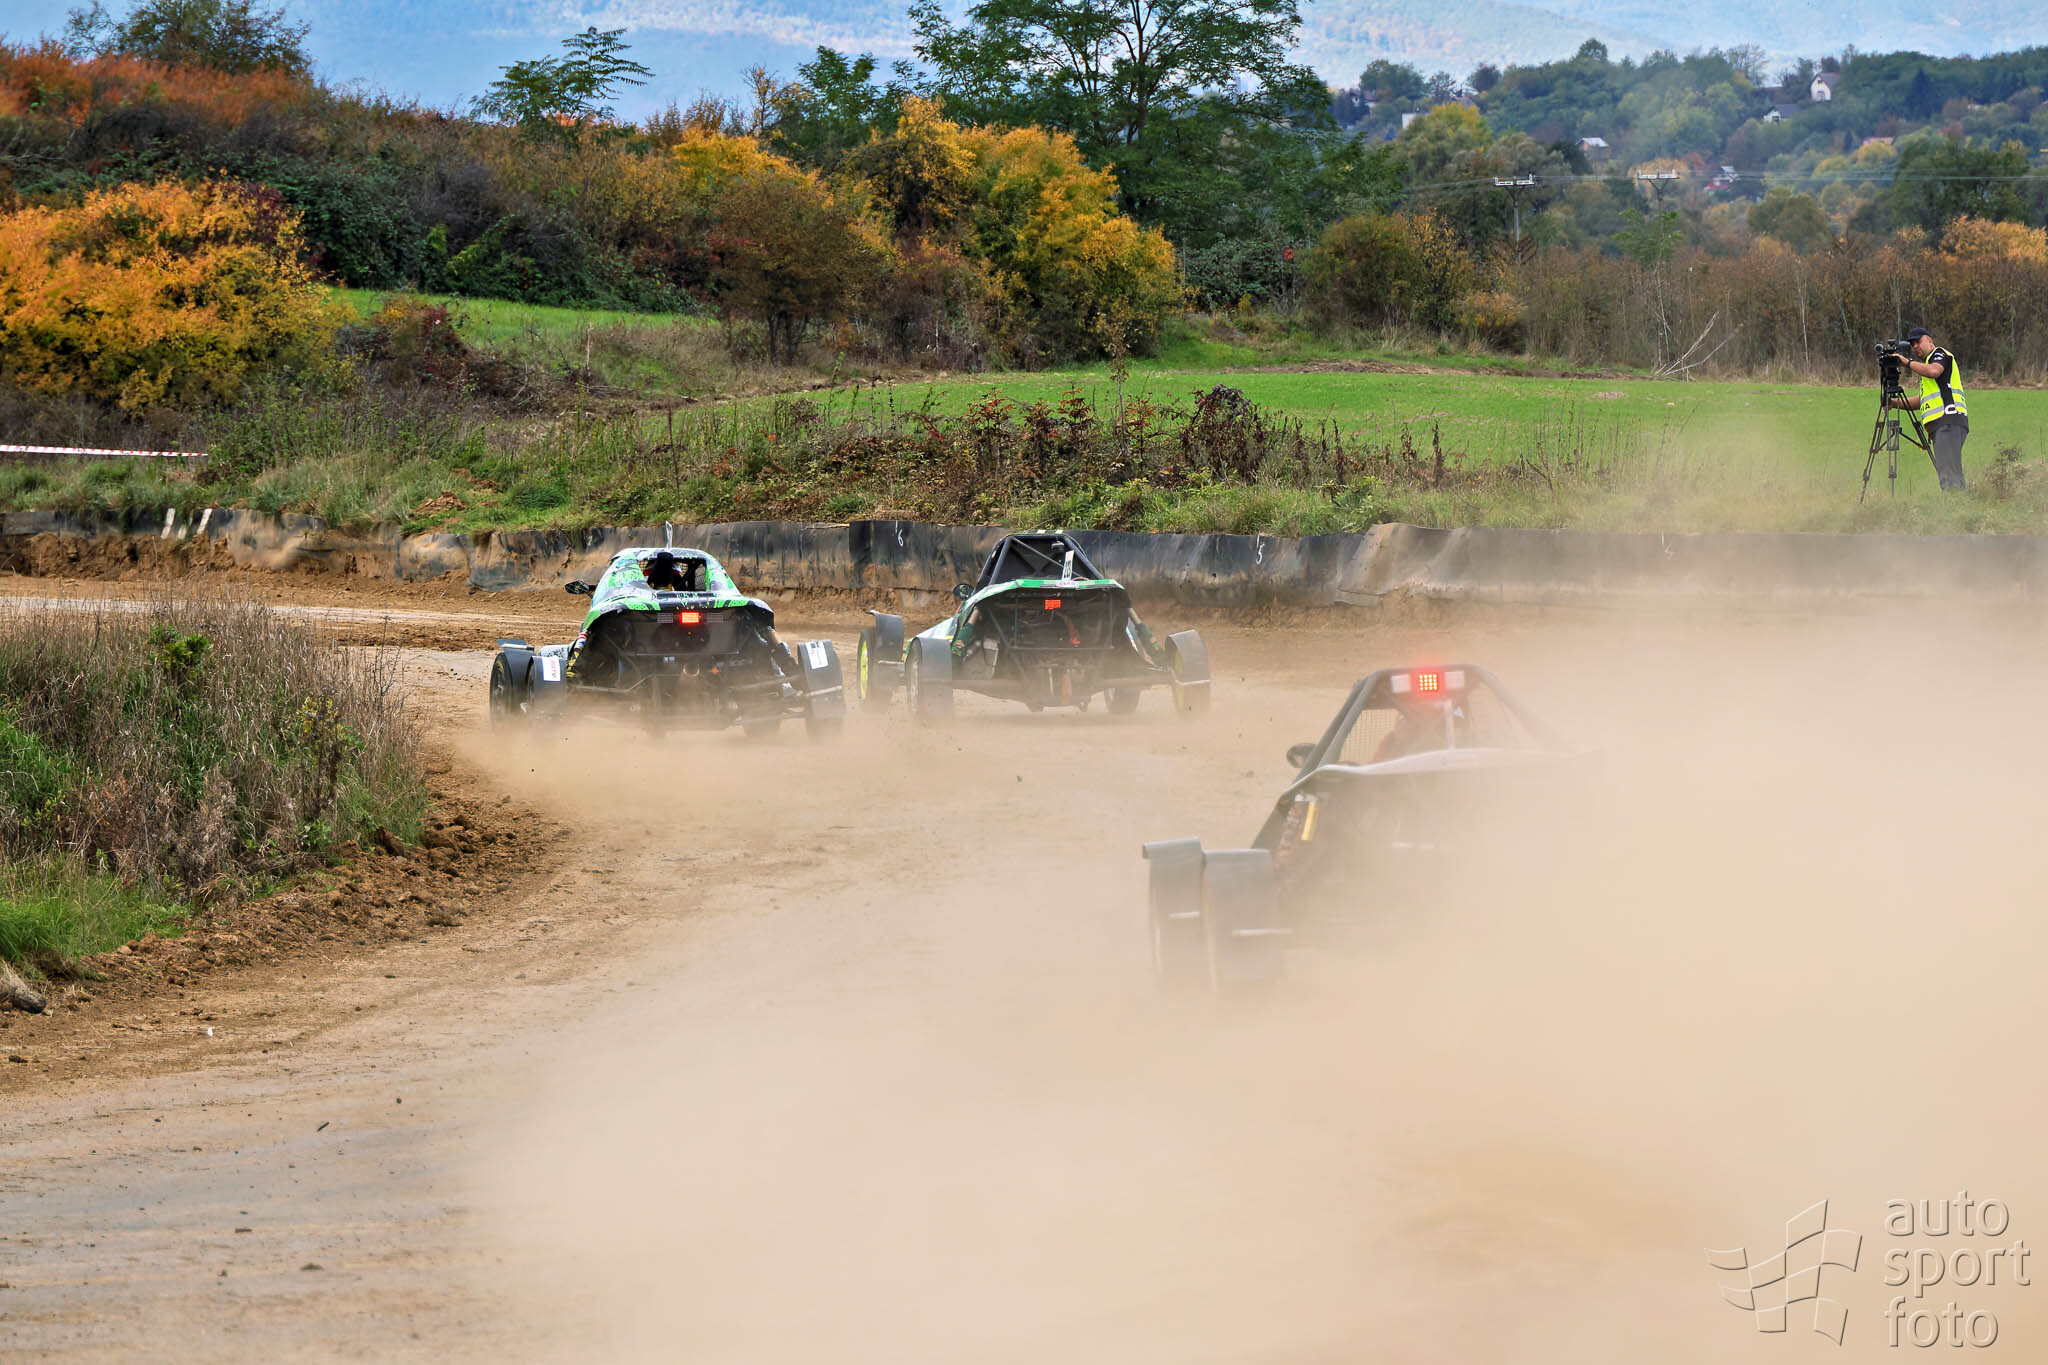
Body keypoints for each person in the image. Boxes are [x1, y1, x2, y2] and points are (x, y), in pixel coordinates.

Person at [1889, 326, 1969, 491]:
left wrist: (1907, 363)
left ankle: (1956, 502)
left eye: (1918, 341)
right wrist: (1893, 403)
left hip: (1949, 420)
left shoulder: (1939, 354)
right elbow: (1921, 401)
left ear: (1930, 341)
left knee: (1949, 473)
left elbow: (1934, 371)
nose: (1915, 346)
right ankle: (1960, 501)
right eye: (1912, 344)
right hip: (1942, 425)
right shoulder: (1927, 366)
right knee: (1949, 470)